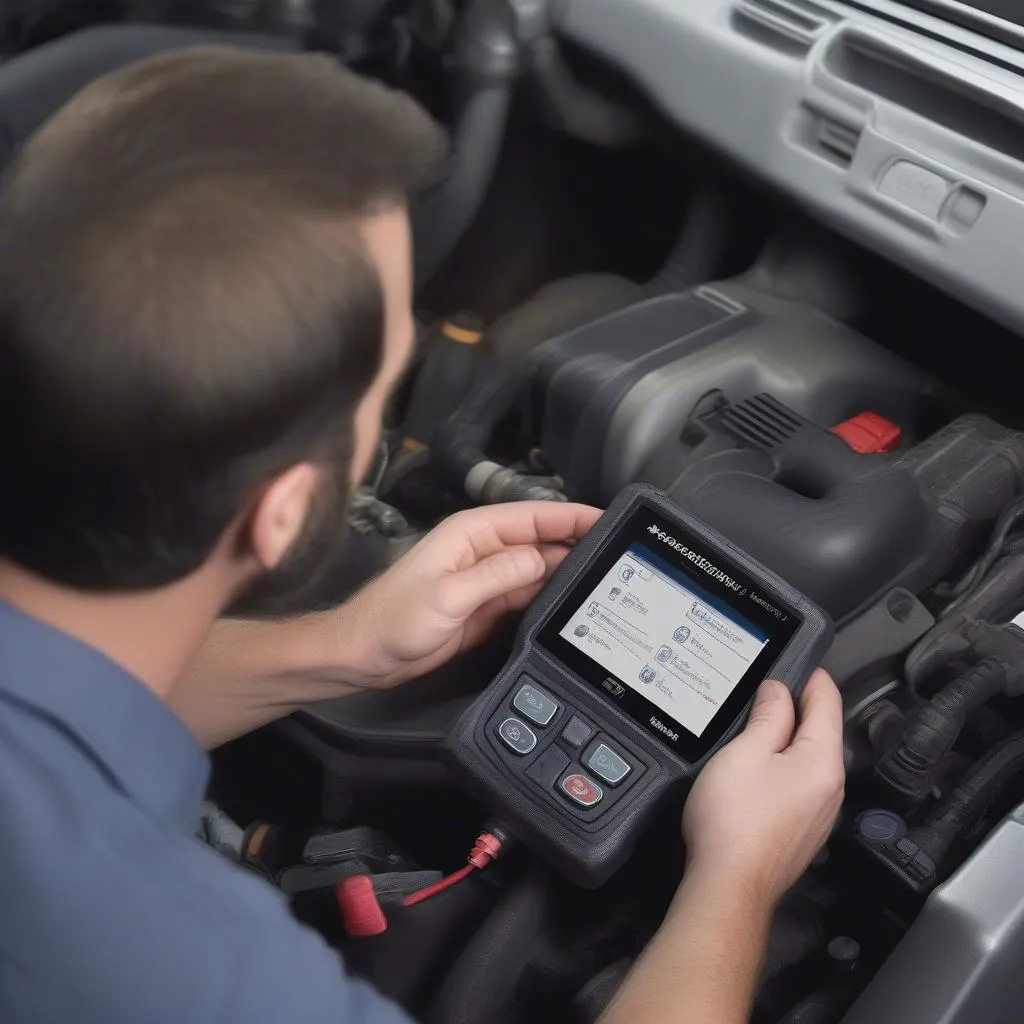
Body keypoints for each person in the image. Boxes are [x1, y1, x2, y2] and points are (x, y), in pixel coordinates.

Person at [0, 46, 844, 1024]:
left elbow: (61, 718)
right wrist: (736, 882)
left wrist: (342, 647)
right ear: (281, 514)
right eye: (382, 384)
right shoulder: (204, 975)